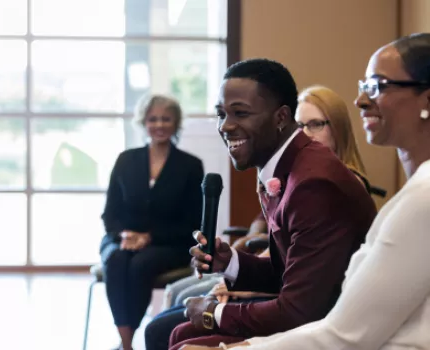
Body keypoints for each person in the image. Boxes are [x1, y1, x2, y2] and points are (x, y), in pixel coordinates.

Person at [181, 32, 430, 350]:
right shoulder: (416, 192)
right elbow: (298, 276)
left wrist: (220, 325)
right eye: (363, 86)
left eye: (379, 86)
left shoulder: (415, 198)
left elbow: (341, 334)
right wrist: (230, 263)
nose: (361, 100)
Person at [168, 58, 377, 349]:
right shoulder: (288, 165)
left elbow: (299, 311)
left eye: (240, 113)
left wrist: (213, 312)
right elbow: (289, 273)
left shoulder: (314, 184)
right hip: (311, 315)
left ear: (280, 118)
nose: (226, 126)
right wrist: (229, 263)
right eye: (221, 114)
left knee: (181, 341)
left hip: (332, 331)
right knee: (180, 333)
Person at [99, 94, 204, 350]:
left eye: (166, 119)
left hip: (169, 244)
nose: (159, 124)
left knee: (141, 264)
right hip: (122, 238)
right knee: (116, 259)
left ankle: (127, 341)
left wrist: (149, 238)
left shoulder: (190, 165)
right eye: (153, 119)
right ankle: (126, 342)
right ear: (143, 122)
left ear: (176, 123)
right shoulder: (126, 160)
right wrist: (123, 235)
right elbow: (110, 212)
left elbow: (192, 221)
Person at [145, 213, 268, 350]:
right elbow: (261, 219)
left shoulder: (293, 201)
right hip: (260, 277)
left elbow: (288, 287)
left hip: (268, 296)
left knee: (160, 331)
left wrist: (244, 283)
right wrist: (230, 261)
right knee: (175, 304)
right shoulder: (275, 197)